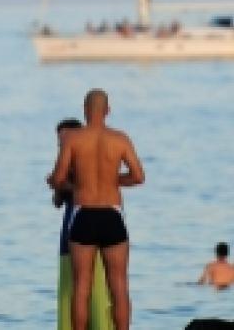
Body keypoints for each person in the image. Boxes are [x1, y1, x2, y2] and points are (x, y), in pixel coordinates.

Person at [48, 89, 145, 330]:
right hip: (112, 214)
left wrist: (78, 183)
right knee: (119, 285)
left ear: (85, 110)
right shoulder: (120, 139)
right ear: (108, 111)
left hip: (84, 214)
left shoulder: (73, 140)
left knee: (81, 286)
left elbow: (59, 178)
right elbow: (138, 176)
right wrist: (113, 180)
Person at [53, 119, 111, 330]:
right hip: (67, 243)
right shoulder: (65, 166)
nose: (62, 147)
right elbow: (57, 202)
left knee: (95, 303)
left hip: (91, 242)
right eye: (59, 143)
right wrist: (60, 182)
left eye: (65, 141)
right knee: (68, 302)